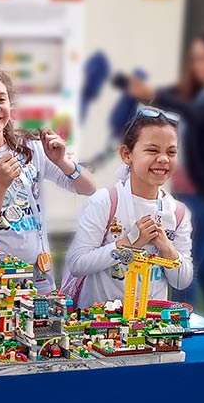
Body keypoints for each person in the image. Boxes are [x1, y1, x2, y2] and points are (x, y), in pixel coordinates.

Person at [129, 24, 204, 323]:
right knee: (203, 263)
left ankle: (184, 325)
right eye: (193, 59)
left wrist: (154, 94)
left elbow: (199, 116)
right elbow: (178, 101)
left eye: (202, 59)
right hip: (196, 192)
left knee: (184, 265)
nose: (196, 66)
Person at [0, 64, 96, 293]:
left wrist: (62, 161)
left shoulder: (30, 149)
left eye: (1, 99)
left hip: (39, 280)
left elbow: (88, 188)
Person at [65, 107, 193, 309]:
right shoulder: (105, 201)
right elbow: (77, 264)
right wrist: (129, 242)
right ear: (127, 154)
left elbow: (182, 281)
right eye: (152, 150)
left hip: (151, 323)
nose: (163, 159)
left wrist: (166, 247)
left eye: (171, 152)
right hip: (100, 323)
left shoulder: (177, 212)